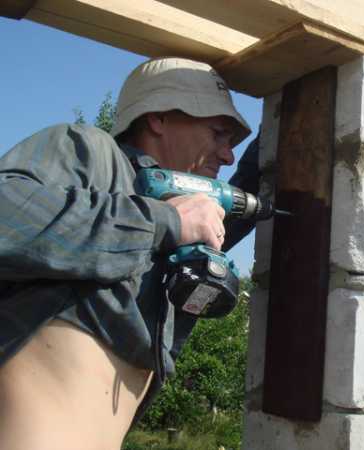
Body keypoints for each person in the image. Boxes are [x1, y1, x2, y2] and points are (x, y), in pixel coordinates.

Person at [0, 57, 259, 450]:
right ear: (158, 118)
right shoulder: (89, 150)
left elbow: (217, 223)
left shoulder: (173, 225)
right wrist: (164, 221)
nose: (228, 156)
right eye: (218, 134)